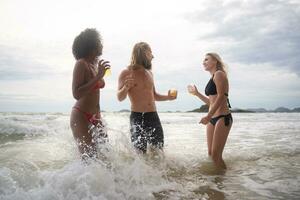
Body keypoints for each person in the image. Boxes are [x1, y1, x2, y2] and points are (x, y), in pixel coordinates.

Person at [117, 42, 177, 154]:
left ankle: (157, 172)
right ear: (143, 52)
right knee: (140, 154)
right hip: (137, 117)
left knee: (158, 152)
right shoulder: (126, 73)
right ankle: (141, 172)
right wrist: (125, 87)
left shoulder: (150, 73)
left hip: (153, 116)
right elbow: (120, 98)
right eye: (150, 53)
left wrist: (168, 97)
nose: (153, 56)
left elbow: (154, 96)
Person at [70, 28, 110, 159]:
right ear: (91, 44)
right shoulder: (81, 64)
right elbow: (76, 93)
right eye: (99, 41)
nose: (101, 44)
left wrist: (100, 74)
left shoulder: (94, 64)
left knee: (106, 155)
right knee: (89, 159)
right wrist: (98, 76)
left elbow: (97, 85)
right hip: (81, 116)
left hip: (96, 116)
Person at [187, 53, 232, 169]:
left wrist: (208, 116)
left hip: (223, 117)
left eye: (206, 59)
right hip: (213, 118)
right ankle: (219, 180)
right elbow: (211, 102)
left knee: (216, 155)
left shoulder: (219, 74)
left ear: (215, 61)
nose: (203, 62)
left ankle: (223, 181)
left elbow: (222, 97)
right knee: (211, 154)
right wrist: (197, 94)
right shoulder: (212, 77)